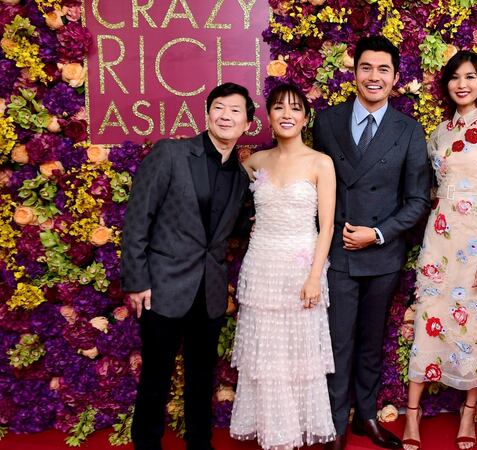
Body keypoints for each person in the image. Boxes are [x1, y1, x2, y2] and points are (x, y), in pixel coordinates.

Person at [402, 50, 477, 450]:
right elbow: (432, 190)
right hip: (440, 236)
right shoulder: (438, 133)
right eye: (455, 77)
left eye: (470, 77)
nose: (462, 84)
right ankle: (412, 415)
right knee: (429, 315)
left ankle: (468, 412)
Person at [312, 35, 431, 450]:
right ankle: (333, 425)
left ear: (396, 77)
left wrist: (377, 233)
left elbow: (417, 200)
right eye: (367, 67)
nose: (374, 76)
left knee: (370, 342)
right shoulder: (326, 122)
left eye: (383, 69)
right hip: (339, 253)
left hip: (382, 254)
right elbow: (313, 187)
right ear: (355, 72)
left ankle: (364, 417)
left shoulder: (409, 131)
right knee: (338, 341)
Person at [121, 82, 255, 450]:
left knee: (201, 376)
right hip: (162, 286)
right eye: (219, 108)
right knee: (156, 376)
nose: (226, 116)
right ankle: (147, 444)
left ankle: (200, 442)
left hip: (209, 291)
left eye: (235, 111)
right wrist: (136, 280)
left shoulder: (241, 177)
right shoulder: (171, 154)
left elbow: (229, 228)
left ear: (247, 123)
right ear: (207, 113)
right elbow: (137, 219)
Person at [229, 84, 337, 449]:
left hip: (300, 266)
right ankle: (274, 432)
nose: (286, 114)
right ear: (269, 117)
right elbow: (229, 205)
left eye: (294, 108)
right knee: (267, 354)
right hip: (261, 265)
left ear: (305, 117)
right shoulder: (255, 162)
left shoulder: (321, 162)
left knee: (298, 355)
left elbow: (328, 226)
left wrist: (313, 278)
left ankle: (296, 432)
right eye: (278, 108)